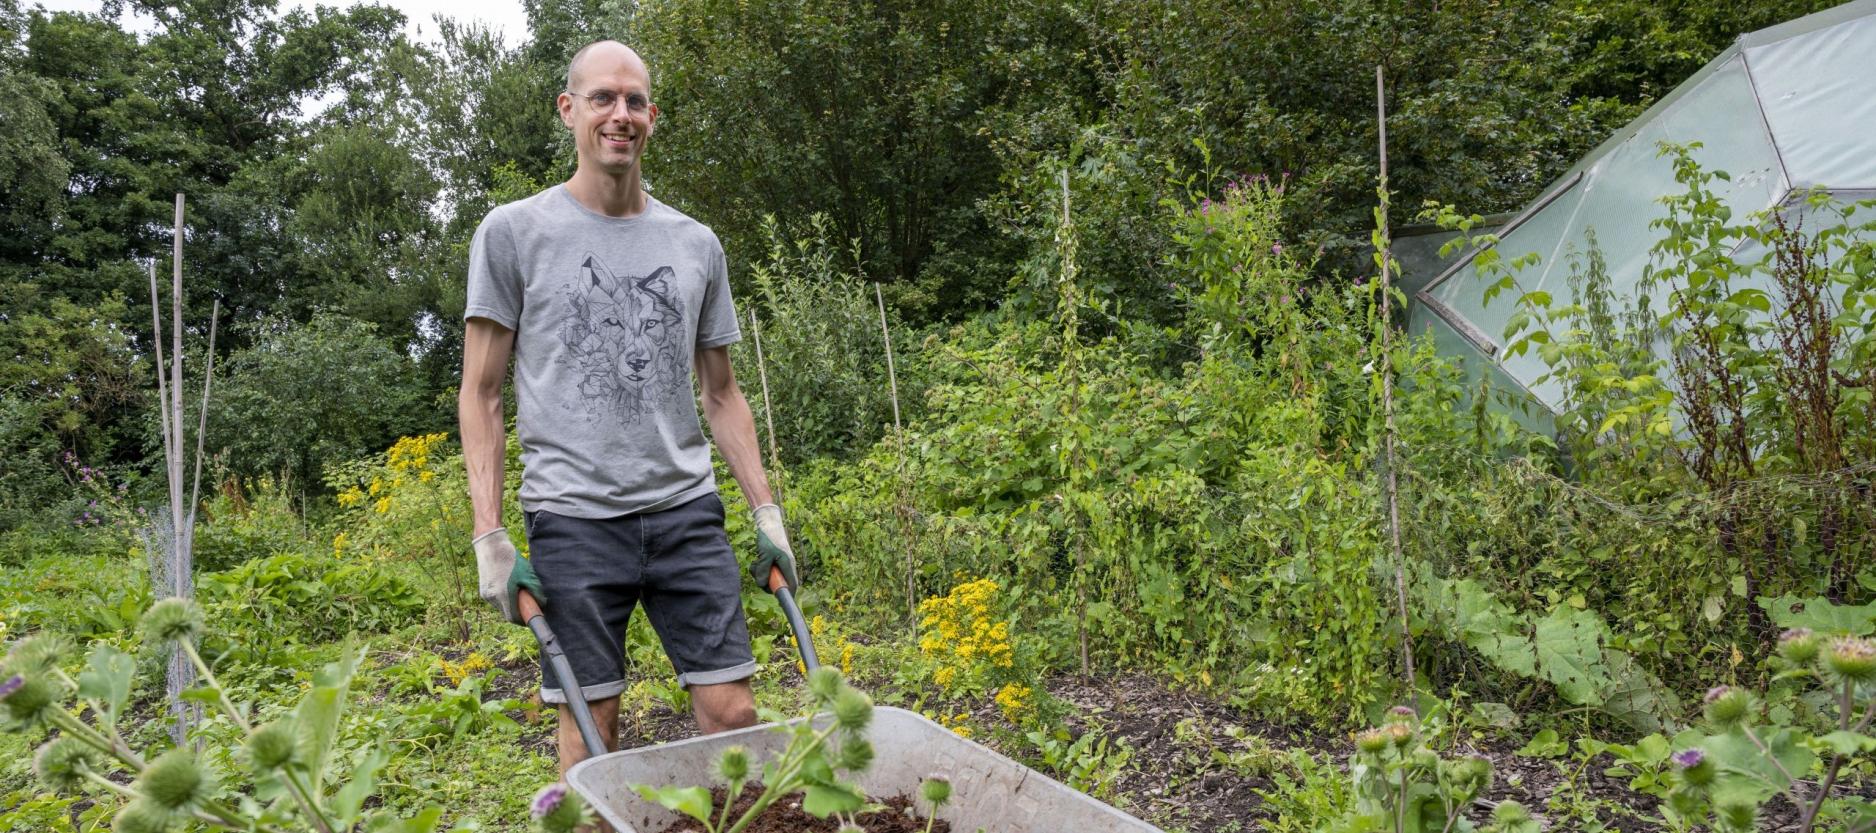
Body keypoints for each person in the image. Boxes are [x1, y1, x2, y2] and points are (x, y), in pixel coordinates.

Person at [457, 39, 799, 781]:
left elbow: (722, 391)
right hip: (574, 518)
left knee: (735, 718)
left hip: (684, 510)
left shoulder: (695, 244)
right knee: (591, 733)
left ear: (652, 117)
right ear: (568, 109)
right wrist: (490, 534)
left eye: (635, 100)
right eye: (604, 98)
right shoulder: (515, 233)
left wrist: (766, 514)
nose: (620, 114)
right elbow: (481, 391)